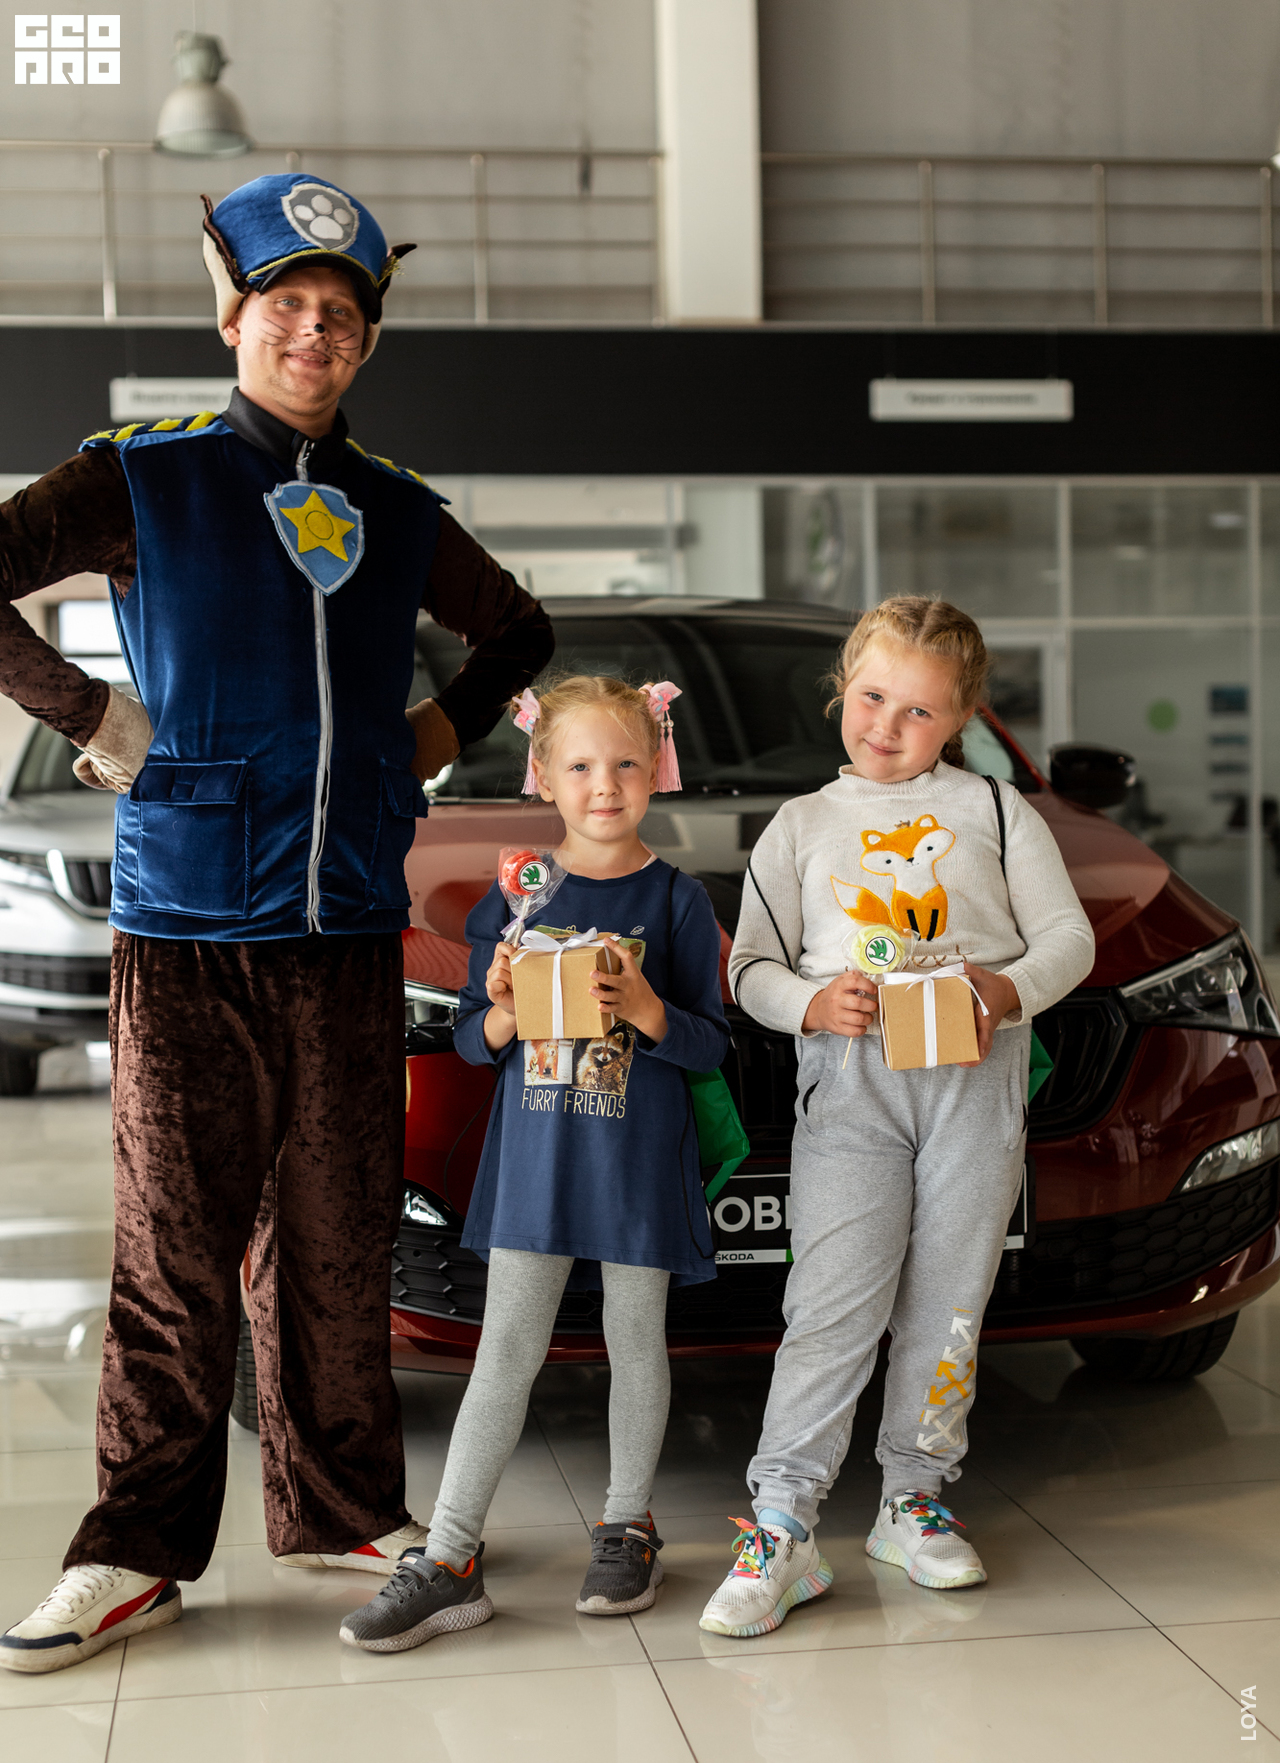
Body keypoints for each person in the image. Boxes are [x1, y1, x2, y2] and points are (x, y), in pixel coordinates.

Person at [0, 173, 554, 1674]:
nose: (316, 332)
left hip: (348, 927)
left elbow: (521, 631)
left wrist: (434, 732)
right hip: (188, 931)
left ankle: (341, 1510)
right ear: (234, 320)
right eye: (290, 307)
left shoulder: (397, 507)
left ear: (366, 342)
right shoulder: (144, 476)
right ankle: (131, 1551)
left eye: (343, 316)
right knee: (172, 1256)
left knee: (332, 1245)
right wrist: (91, 716)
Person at [699, 596, 1095, 1636]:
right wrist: (809, 1005)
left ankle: (911, 1499)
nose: (887, 724)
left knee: (950, 1302)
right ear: (842, 689)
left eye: (919, 710)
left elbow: (1068, 939)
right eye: (873, 696)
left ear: (960, 718)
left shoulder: (997, 812)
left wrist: (1007, 989)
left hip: (974, 1084)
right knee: (830, 1304)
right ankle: (783, 1522)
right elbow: (749, 969)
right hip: (851, 1087)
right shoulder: (799, 826)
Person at [340, 675, 729, 1653]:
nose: (606, 784)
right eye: (581, 765)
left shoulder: (675, 899)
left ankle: (627, 1524)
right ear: (543, 775)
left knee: (635, 1343)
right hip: (536, 1170)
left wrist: (648, 1011)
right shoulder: (518, 897)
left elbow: (708, 1046)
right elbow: (475, 1044)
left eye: (626, 763)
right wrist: (505, 1009)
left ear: (657, 770)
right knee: (504, 1351)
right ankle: (449, 1557)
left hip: (636, 1170)